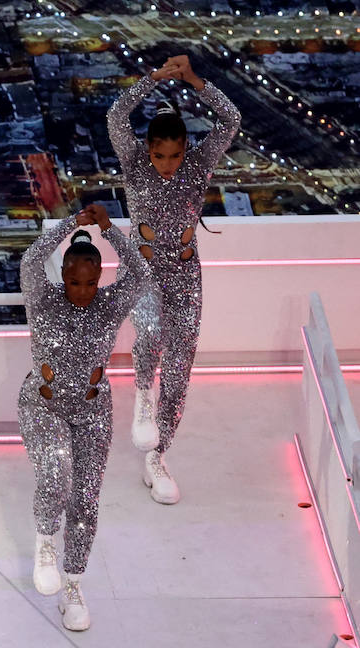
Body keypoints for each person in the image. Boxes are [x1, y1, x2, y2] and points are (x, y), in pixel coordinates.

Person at [108, 54, 240, 504]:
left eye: (175, 154)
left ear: (186, 149)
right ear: (147, 149)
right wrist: (153, 78)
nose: (167, 163)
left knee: (182, 363)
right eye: (159, 154)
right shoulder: (133, 162)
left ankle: (158, 456)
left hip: (185, 272)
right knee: (150, 334)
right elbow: (116, 115)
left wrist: (194, 80)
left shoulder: (199, 164)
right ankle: (143, 393)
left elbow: (231, 119)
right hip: (142, 270)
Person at [18, 204, 151, 631]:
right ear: (62, 276)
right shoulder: (43, 298)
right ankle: (45, 543)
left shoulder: (110, 304)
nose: (81, 291)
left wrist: (109, 230)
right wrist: (71, 224)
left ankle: (73, 587)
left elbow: (141, 273)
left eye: (90, 282)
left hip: (92, 411)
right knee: (55, 474)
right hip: (44, 406)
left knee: (86, 500)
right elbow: (31, 259)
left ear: (100, 278)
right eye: (74, 281)